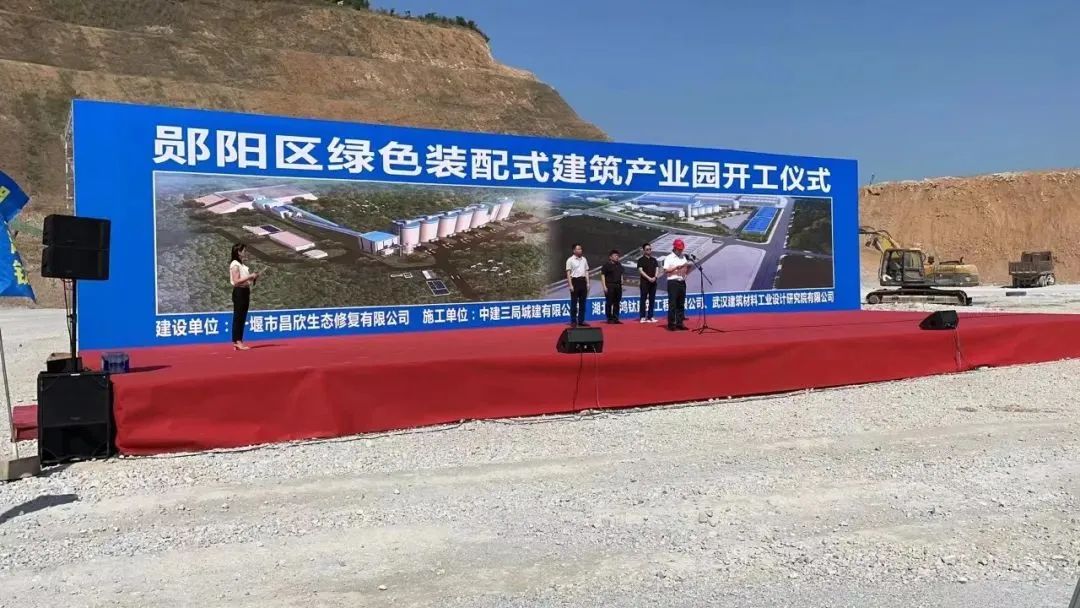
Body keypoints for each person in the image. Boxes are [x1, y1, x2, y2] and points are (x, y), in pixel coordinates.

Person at [229, 243, 259, 350]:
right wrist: (250, 276)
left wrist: (253, 277)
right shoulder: (235, 264)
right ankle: (237, 341)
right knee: (238, 317)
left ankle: (238, 341)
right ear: (238, 252)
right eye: (244, 251)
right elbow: (236, 281)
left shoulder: (241, 264)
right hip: (239, 292)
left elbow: (244, 279)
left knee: (242, 317)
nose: (246, 253)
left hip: (245, 291)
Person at [662, 238, 692, 331]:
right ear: (675, 248)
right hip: (673, 282)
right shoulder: (669, 258)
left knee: (681, 304)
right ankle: (671, 324)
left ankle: (680, 323)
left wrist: (687, 269)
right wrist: (676, 268)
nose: (681, 251)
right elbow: (666, 270)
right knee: (673, 304)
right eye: (679, 249)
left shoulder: (683, 257)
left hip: (682, 282)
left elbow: (685, 269)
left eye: (681, 249)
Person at [565, 243, 589, 327]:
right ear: (574, 250)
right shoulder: (570, 260)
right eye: (578, 249)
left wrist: (588, 283)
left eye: (581, 249)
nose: (580, 250)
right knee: (574, 303)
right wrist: (570, 285)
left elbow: (586, 271)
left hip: (583, 281)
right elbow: (568, 274)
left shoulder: (584, 259)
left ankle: (581, 321)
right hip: (575, 281)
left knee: (583, 303)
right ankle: (573, 321)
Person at [636, 242, 659, 323]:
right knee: (643, 299)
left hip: (653, 282)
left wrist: (655, 277)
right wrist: (649, 278)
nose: (649, 250)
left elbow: (657, 269)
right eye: (647, 249)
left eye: (650, 249)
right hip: (645, 282)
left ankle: (650, 316)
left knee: (652, 299)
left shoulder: (654, 260)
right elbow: (640, 271)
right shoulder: (641, 260)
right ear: (644, 250)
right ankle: (642, 316)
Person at [600, 249, 624, 324]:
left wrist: (622, 280)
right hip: (610, 286)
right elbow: (603, 275)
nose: (617, 257)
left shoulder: (619, 264)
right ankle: (609, 318)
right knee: (609, 303)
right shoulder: (606, 265)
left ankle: (616, 318)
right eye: (615, 255)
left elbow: (621, 273)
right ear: (610, 257)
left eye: (618, 256)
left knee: (617, 303)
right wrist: (604, 286)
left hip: (618, 286)